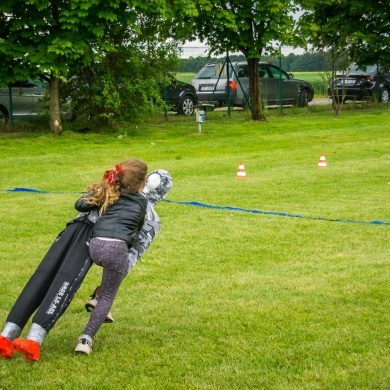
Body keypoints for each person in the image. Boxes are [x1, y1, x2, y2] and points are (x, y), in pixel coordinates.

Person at [0, 162, 172, 361]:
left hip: (73, 230)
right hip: (94, 240)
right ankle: (33, 340)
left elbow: (82, 204)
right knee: (63, 284)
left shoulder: (112, 188)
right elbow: (134, 250)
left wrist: (102, 188)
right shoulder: (145, 210)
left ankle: (7, 334)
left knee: (42, 277)